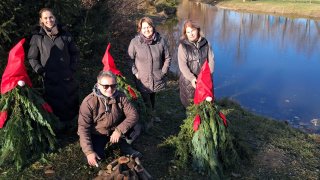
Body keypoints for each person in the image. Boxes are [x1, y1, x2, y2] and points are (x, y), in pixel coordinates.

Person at [78, 71, 142, 166]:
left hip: (116, 130)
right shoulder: (88, 102)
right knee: (96, 159)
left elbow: (133, 115)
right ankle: (97, 148)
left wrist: (119, 130)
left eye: (113, 85)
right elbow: (83, 129)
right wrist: (89, 152)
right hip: (98, 133)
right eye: (105, 86)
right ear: (98, 85)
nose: (110, 89)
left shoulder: (121, 96)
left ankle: (125, 147)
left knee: (137, 126)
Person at [28, 8, 80, 125]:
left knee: (70, 97)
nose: (49, 20)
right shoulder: (37, 37)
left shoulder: (65, 34)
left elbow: (75, 53)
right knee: (53, 100)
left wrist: (72, 69)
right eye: (45, 18)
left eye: (50, 17)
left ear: (54, 18)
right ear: (41, 20)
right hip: (49, 77)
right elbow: (32, 58)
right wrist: (42, 71)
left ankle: (72, 123)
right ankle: (57, 125)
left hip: (67, 75)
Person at [127, 17, 171, 113]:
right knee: (146, 98)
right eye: (144, 28)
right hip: (142, 78)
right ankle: (149, 119)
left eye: (149, 27)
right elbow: (130, 59)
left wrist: (163, 72)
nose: (147, 30)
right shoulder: (135, 42)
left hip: (157, 76)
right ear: (140, 29)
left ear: (153, 27)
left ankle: (152, 115)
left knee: (152, 95)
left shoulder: (161, 41)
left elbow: (167, 58)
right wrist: (135, 73)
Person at [178, 19, 215, 108]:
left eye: (193, 30)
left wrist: (208, 77)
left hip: (205, 82)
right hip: (189, 83)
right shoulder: (182, 46)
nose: (191, 34)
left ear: (197, 30)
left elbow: (211, 60)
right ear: (185, 33)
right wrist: (192, 78)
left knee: (205, 107)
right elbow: (182, 65)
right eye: (188, 32)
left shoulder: (206, 44)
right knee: (190, 107)